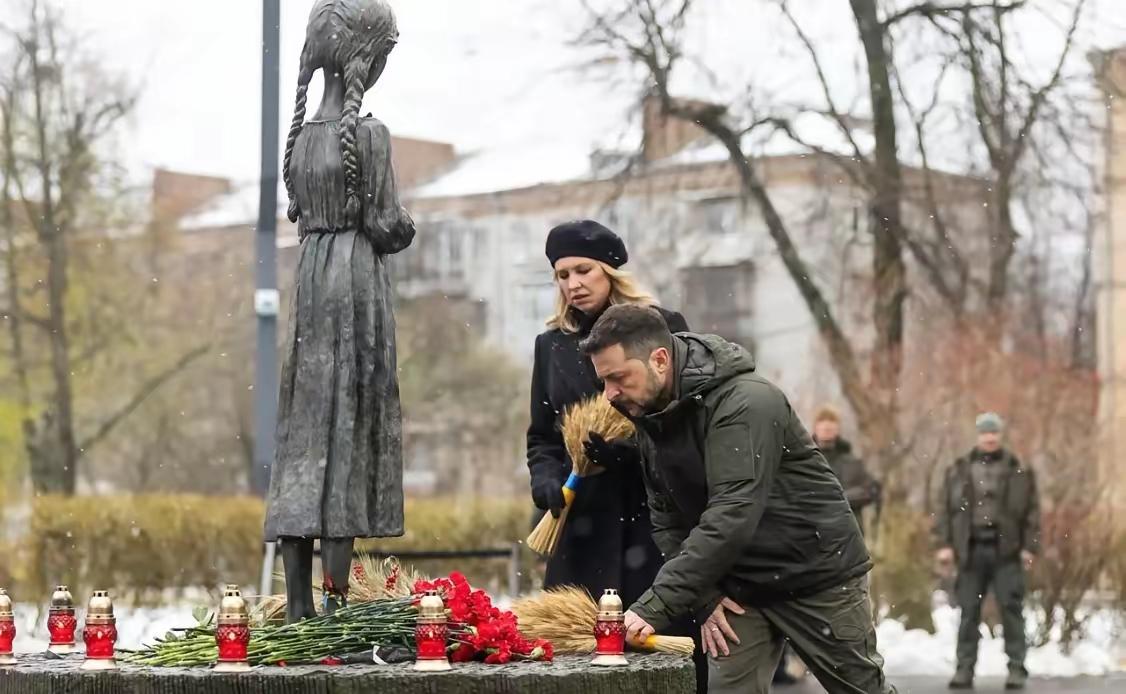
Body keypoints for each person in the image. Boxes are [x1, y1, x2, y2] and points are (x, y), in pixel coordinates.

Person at [581, 304, 895, 694]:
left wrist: (655, 605)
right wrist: (705, 596)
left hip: (815, 575)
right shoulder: (648, 411)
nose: (609, 394)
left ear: (659, 360)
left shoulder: (746, 401)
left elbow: (733, 512)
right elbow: (667, 518)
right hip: (737, 591)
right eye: (603, 382)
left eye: (618, 377)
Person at [263, 0, 415, 623]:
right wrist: (406, 226)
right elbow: (385, 225)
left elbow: (303, 217)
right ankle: (336, 604)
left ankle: (297, 602)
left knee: (305, 434)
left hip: (311, 286)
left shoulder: (300, 141)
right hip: (355, 289)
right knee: (348, 429)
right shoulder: (369, 136)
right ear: (367, 58)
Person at [525, 220, 705, 691]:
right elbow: (542, 436)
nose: (573, 284)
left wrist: (633, 453)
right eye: (562, 275)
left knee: (663, 653)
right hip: (580, 525)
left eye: (583, 270)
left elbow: (688, 421)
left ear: (609, 270)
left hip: (653, 521)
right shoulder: (551, 345)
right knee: (578, 659)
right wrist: (545, 481)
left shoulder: (664, 327)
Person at [934, 413, 1040, 691]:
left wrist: (1030, 546)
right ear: (978, 435)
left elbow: (1032, 513)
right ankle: (964, 669)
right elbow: (945, 510)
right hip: (970, 550)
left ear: (1000, 435)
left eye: (994, 433)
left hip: (1007, 551)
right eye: (985, 433)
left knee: (1011, 611)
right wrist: (944, 545)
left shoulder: (1018, 470)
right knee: (968, 612)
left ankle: (1017, 669)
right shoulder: (959, 469)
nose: (989, 437)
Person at [812, 406, 881, 534]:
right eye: (822, 422)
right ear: (815, 427)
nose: (827, 427)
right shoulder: (805, 461)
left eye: (831, 422)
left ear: (838, 428)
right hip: (812, 534)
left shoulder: (852, 462)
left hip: (848, 535)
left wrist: (841, 499)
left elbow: (871, 490)